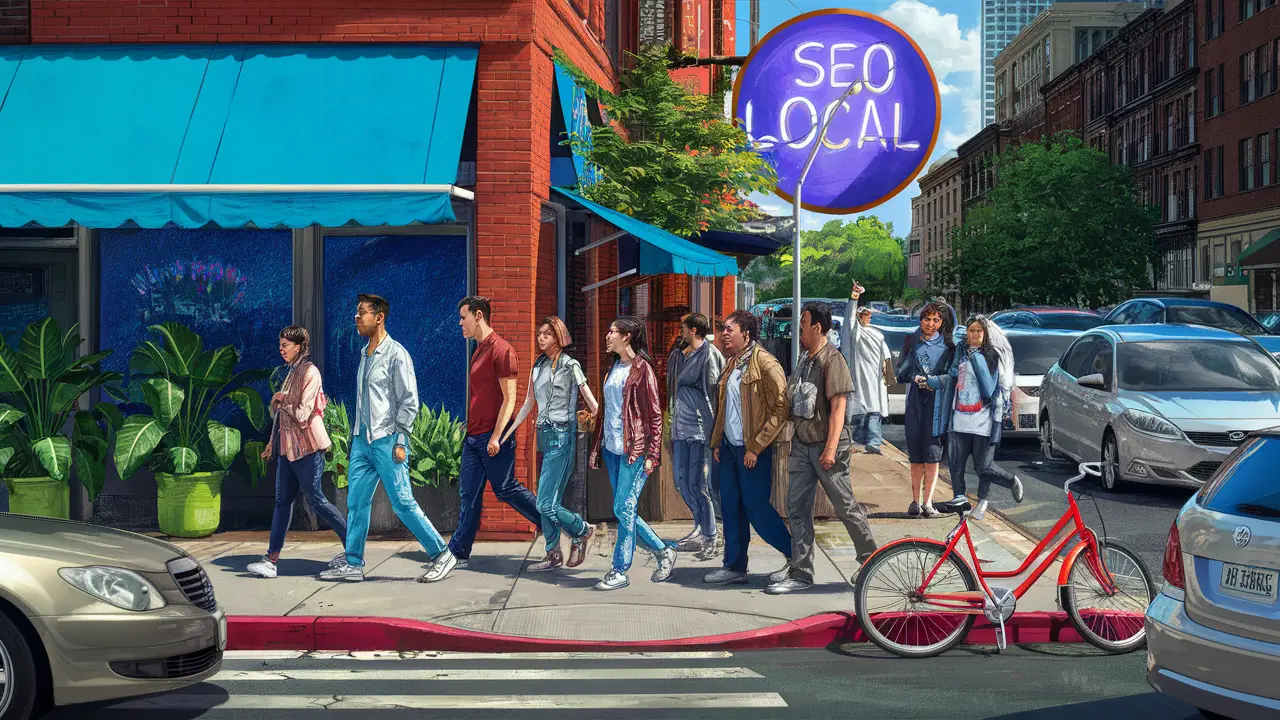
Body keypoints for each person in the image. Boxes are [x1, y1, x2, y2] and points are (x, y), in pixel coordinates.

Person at [320, 294, 455, 583]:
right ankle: (354, 563)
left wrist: (401, 440)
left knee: (403, 502)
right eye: (356, 313)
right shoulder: (364, 354)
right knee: (356, 504)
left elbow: (409, 401)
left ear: (379, 317)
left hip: (387, 441)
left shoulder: (396, 354)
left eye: (362, 313)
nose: (356, 318)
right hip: (362, 442)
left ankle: (442, 554)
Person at [769, 303, 879, 594]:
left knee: (844, 506)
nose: (799, 330)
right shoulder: (806, 358)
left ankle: (870, 561)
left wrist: (830, 450)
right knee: (796, 507)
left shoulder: (833, 360)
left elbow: (839, 408)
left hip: (827, 446)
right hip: (803, 445)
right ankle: (801, 572)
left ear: (817, 327)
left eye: (803, 324)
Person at [441, 296, 543, 577]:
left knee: (506, 488)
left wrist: (497, 436)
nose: (460, 323)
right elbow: (481, 396)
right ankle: (458, 551)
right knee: (468, 494)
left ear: (478, 315)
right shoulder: (477, 350)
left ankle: (550, 524)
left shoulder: (502, 350)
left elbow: (510, 400)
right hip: (474, 437)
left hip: (493, 437)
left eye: (463, 317)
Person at [248, 326, 347, 579]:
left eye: (285, 345)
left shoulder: (310, 373)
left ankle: (353, 547)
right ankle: (271, 560)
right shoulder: (291, 372)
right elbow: (282, 417)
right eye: (280, 345)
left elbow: (303, 414)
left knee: (316, 499)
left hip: (307, 448)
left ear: (300, 346)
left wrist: (282, 401)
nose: (281, 350)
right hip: (287, 450)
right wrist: (273, 443)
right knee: (282, 503)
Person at [501, 316, 599, 571]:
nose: (540, 338)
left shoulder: (571, 365)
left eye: (546, 334)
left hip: (563, 435)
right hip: (543, 435)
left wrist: (597, 417)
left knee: (544, 502)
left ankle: (582, 529)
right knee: (545, 497)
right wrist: (506, 432)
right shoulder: (538, 367)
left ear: (558, 337)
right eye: (539, 334)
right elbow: (528, 404)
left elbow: (590, 400)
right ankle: (553, 553)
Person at [589, 317, 678, 591]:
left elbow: (654, 415)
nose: (607, 336)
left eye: (613, 332)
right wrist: (596, 447)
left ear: (627, 337)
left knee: (623, 508)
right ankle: (663, 550)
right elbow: (605, 412)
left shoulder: (643, 370)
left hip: (634, 450)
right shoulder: (612, 367)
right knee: (623, 508)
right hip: (613, 448)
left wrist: (652, 454)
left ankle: (620, 569)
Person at [705, 310, 793, 586]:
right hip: (730, 449)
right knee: (730, 506)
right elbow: (725, 408)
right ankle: (734, 566)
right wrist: (717, 441)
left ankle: (796, 557)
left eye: (730, 329)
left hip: (753, 449)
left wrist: (757, 446)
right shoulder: (732, 364)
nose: (724, 334)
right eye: (723, 330)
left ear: (747, 333)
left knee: (755, 506)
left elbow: (782, 407)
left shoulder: (765, 363)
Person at [936, 315, 1025, 520]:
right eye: (971, 330)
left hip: (983, 422)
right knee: (955, 466)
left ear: (985, 334)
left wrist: (975, 357)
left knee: (983, 467)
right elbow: (951, 376)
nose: (974, 334)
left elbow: (987, 387)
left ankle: (1010, 481)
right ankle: (961, 503)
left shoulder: (990, 355)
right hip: (959, 419)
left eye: (978, 331)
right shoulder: (961, 351)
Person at [668, 313, 726, 560]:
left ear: (693, 330)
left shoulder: (709, 355)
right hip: (680, 425)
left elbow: (713, 392)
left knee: (698, 484)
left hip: (700, 427)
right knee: (681, 481)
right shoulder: (684, 354)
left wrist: (715, 433)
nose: (680, 331)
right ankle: (701, 526)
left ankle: (711, 535)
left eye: (683, 327)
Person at [895, 300, 958, 518]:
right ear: (920, 319)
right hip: (915, 402)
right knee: (915, 454)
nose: (930, 324)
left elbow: (952, 376)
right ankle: (914, 501)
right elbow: (900, 372)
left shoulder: (950, 347)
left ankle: (928, 502)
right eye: (926, 319)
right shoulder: (912, 341)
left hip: (937, 404)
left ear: (941, 322)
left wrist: (932, 381)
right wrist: (914, 376)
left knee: (932, 455)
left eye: (935, 320)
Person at [841, 282, 893, 455]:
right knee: (862, 411)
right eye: (864, 314)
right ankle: (860, 440)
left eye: (869, 315)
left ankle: (874, 442)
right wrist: (854, 296)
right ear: (858, 316)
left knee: (874, 410)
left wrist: (889, 376)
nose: (868, 317)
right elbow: (849, 318)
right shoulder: (855, 334)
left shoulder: (877, 334)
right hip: (859, 377)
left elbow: (886, 357)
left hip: (876, 378)